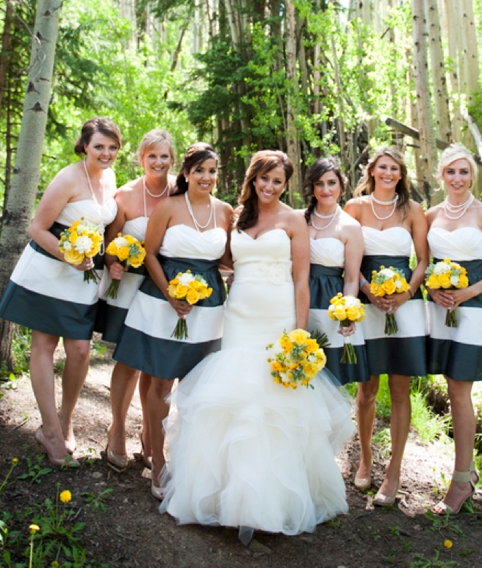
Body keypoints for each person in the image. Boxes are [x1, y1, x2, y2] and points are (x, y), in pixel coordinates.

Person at [161, 150, 354, 539]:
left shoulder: (294, 220)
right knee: (235, 398)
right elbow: (223, 262)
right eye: (263, 179)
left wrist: (299, 334)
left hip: (278, 319)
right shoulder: (236, 216)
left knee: (274, 403)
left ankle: (269, 501)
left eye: (277, 181)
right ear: (252, 179)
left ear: (285, 185)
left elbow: (302, 280)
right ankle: (223, 497)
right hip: (239, 318)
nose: (269, 187)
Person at [0, 117, 121, 466]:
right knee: (44, 346)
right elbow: (37, 228)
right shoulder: (67, 177)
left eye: (112, 147)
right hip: (51, 270)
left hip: (83, 276)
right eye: (99, 146)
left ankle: (65, 420)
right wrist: (69, 255)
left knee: (81, 350)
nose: (106, 153)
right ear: (85, 146)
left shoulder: (109, 178)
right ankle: (50, 430)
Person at [114, 142, 233, 499]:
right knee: (162, 383)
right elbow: (149, 253)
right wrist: (170, 293)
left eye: (212, 171)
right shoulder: (168, 207)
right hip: (162, 300)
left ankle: (191, 460)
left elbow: (228, 259)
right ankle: (159, 461)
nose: (206, 177)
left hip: (209, 307)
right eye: (199, 170)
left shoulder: (226, 212)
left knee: (198, 385)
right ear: (186, 173)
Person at [344, 146, 428, 506]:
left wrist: (408, 292)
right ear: (372, 171)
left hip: (404, 306)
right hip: (367, 303)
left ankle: (393, 472)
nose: (388, 173)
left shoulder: (412, 210)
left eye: (394, 168)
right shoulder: (355, 207)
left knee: (399, 390)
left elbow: (423, 259)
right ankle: (364, 460)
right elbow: (345, 256)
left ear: (401, 173)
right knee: (366, 390)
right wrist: (365, 289)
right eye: (383, 167)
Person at [426, 143, 482, 515]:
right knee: (448, 381)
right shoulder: (429, 215)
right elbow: (421, 264)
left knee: (460, 389)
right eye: (450, 172)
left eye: (463, 172)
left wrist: (467, 293)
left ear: (472, 175)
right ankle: (467, 468)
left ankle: (461, 479)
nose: (457, 178)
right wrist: (432, 287)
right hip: (440, 310)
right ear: (440, 175)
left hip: (472, 309)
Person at [97, 129, 177, 472]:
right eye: (152, 156)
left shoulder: (181, 191)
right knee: (128, 362)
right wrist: (114, 263)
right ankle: (116, 432)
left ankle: (150, 436)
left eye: (164, 156)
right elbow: (109, 242)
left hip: (165, 291)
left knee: (156, 366)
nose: (158, 162)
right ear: (141, 158)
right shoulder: (126, 195)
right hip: (129, 288)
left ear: (172, 159)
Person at [303, 157, 368, 385]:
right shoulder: (299, 219)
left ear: (342, 186)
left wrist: (348, 312)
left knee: (328, 376)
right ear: (312, 187)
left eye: (331, 183)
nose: (325, 189)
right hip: (298, 298)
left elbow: (351, 278)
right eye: (319, 183)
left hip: (329, 303)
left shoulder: (350, 226)